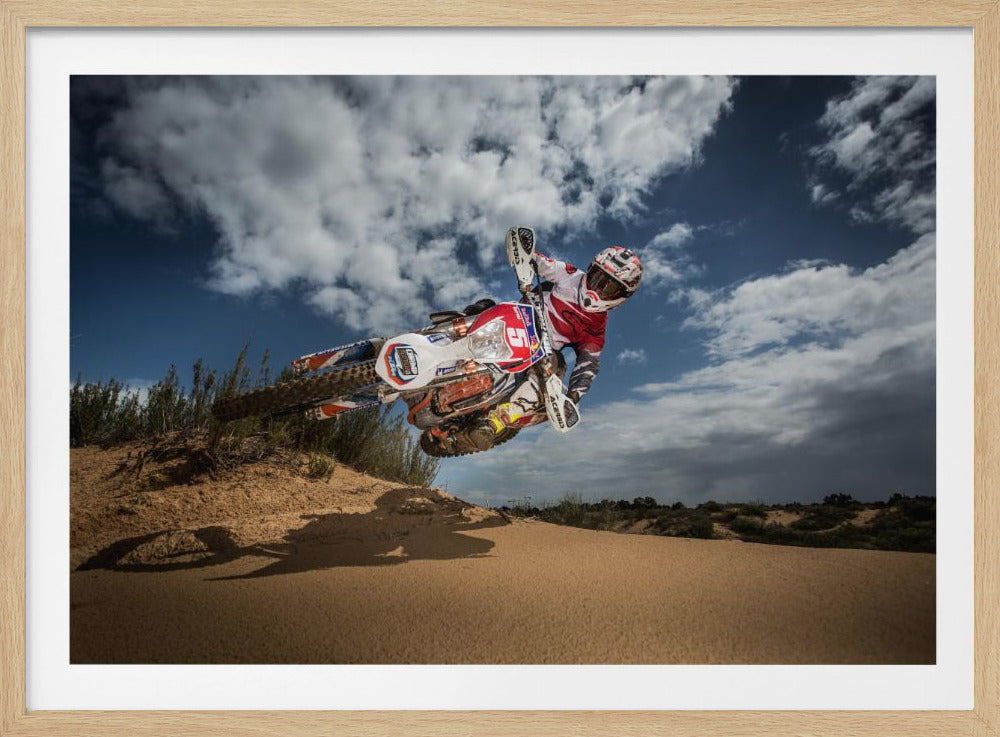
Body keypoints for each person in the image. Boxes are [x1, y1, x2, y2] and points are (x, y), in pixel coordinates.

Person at [423, 243, 643, 456]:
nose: (597, 288)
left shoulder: (597, 327)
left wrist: (574, 395)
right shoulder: (570, 275)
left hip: (541, 350)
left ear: (620, 297)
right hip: (518, 318)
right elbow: (543, 263)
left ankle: (495, 422)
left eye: (609, 287)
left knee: (555, 371)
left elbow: (589, 363)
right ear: (592, 268)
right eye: (597, 277)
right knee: (485, 306)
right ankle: (429, 337)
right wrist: (525, 254)